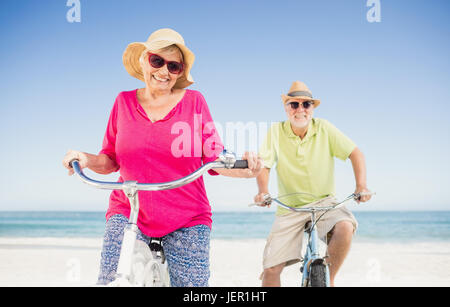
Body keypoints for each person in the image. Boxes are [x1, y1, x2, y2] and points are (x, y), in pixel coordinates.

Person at [62, 28, 262, 286]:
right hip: (130, 209)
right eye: (157, 61)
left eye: (174, 66)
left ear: (180, 72)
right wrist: (85, 158)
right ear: (144, 60)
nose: (164, 71)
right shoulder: (122, 102)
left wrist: (246, 170)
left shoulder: (194, 102)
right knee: (112, 278)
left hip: (187, 216)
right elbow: (110, 159)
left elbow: (214, 157)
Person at [254, 81, 372, 287]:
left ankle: (329, 279)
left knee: (345, 226)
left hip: (325, 202)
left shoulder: (324, 128)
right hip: (290, 208)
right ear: (286, 107)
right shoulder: (275, 131)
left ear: (312, 108)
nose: (300, 109)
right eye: (294, 104)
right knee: (271, 269)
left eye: (306, 104)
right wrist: (263, 191)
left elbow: (355, 153)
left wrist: (361, 185)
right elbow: (264, 165)